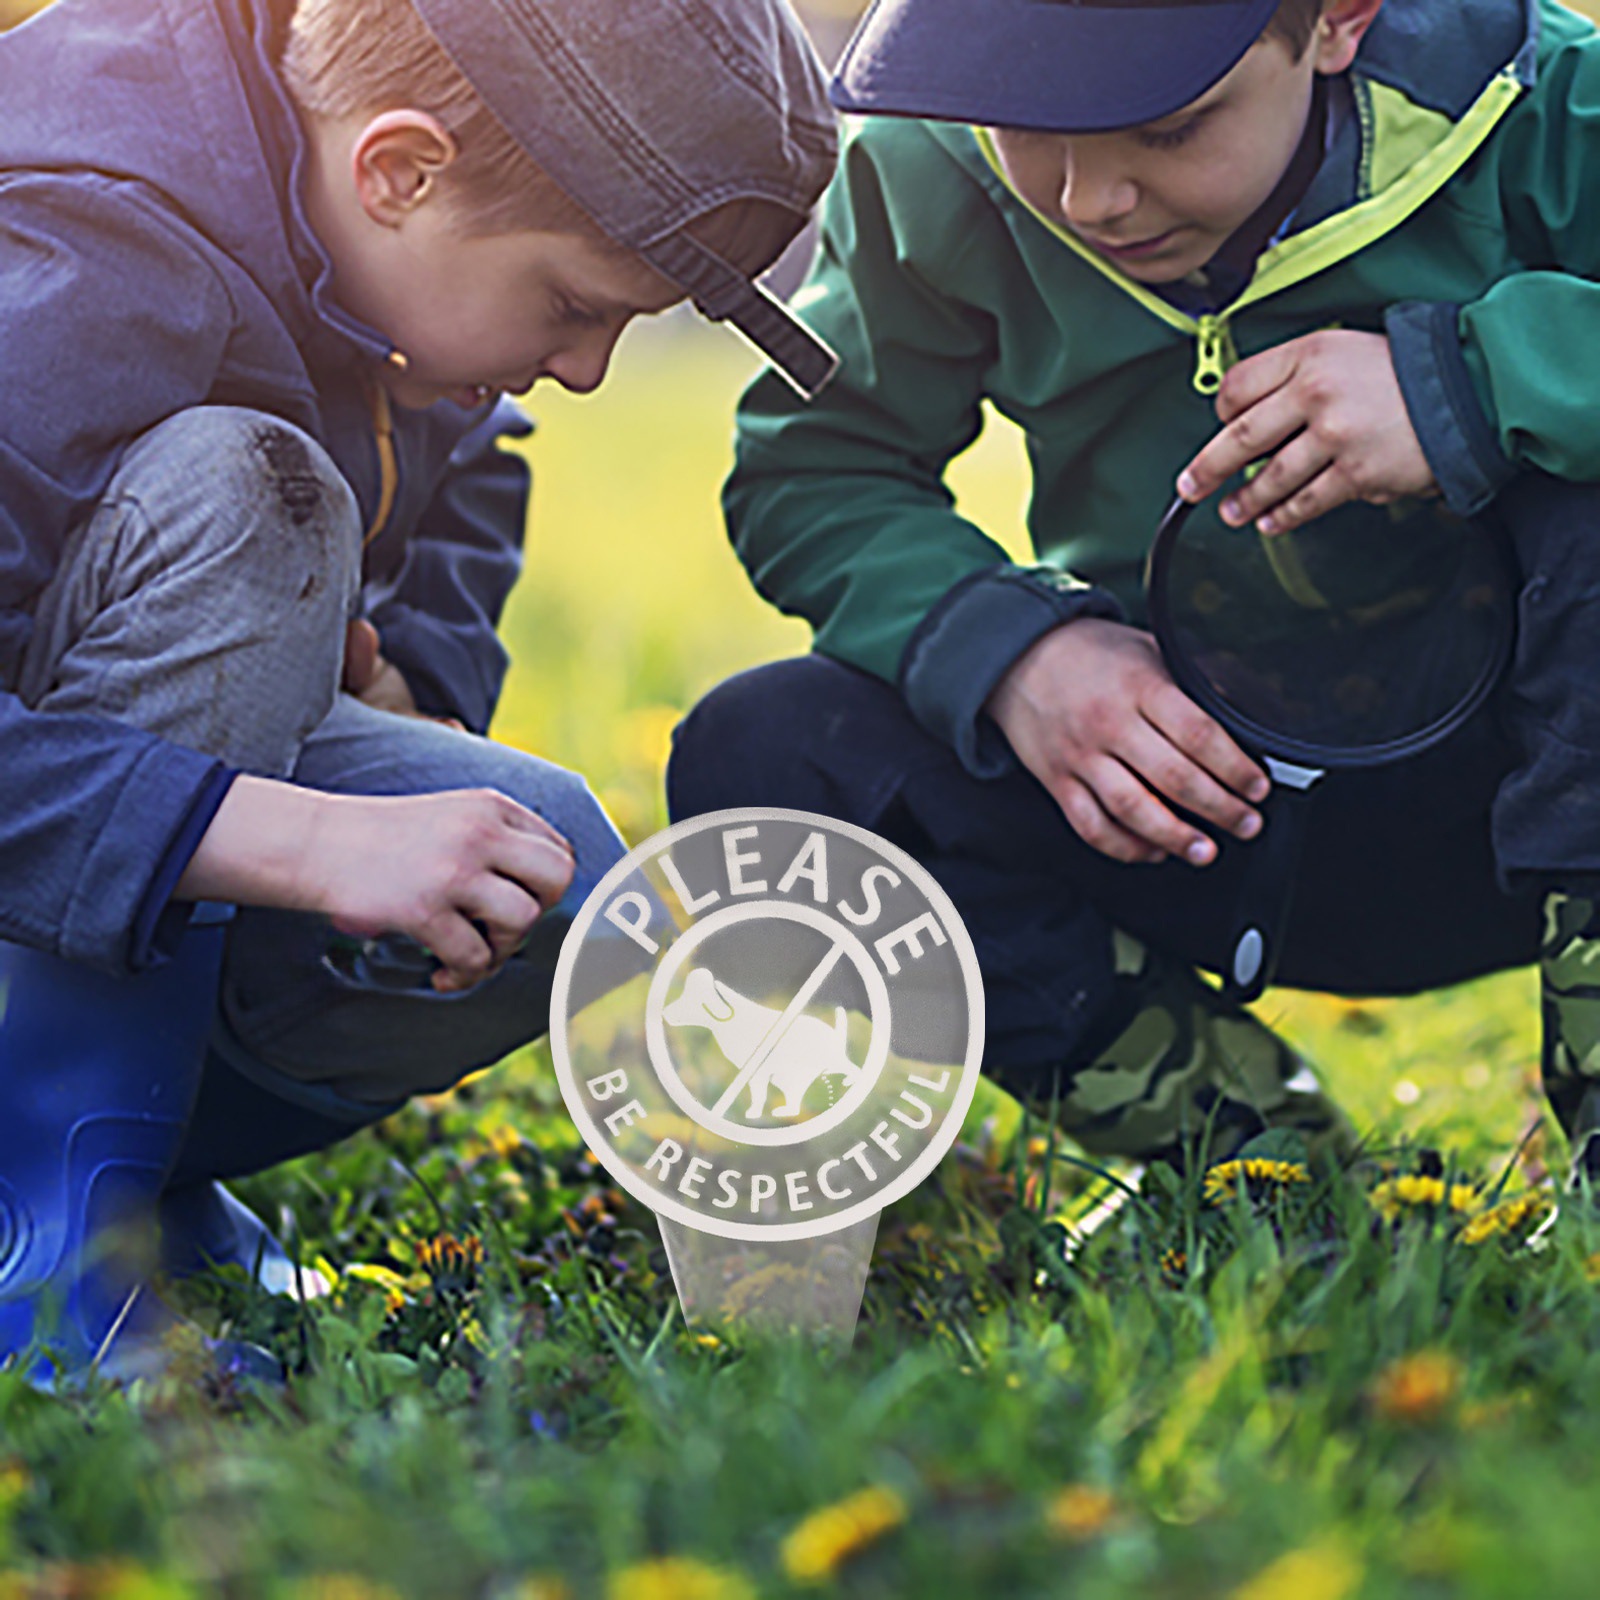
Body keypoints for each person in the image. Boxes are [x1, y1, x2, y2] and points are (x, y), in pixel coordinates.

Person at [0, 0, 838, 1380]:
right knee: (244, 499)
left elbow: (468, 454)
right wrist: (318, 840)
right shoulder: (87, 238)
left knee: (537, 865)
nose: (584, 368)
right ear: (400, 168)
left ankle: (133, 1180)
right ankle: (42, 1245)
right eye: (574, 305)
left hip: (85, 833)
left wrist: (412, 687)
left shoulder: (359, 220)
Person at [669, 0, 1600, 1195]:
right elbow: (814, 467)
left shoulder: (1549, 107)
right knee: (767, 763)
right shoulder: (929, 164)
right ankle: (1265, 1168)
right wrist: (1015, 656)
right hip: (1204, 803)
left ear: (1337, 21)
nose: (1086, 198)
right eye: (1029, 128)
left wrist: (1474, 383)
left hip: (1541, 785)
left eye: (1164, 131)